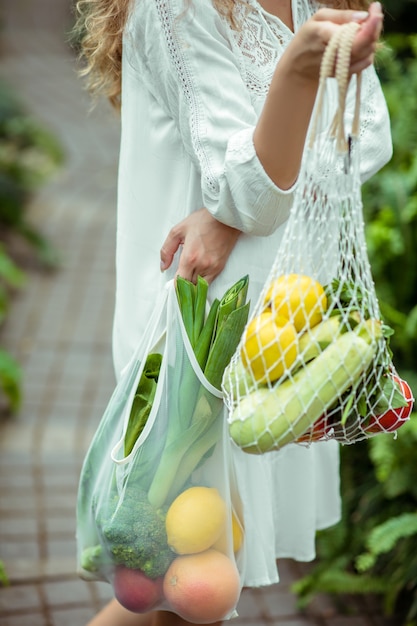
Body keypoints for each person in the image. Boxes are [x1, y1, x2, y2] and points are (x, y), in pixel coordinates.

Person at [73, 0, 392, 624]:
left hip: (280, 338)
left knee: (191, 589)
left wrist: (228, 213)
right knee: (176, 588)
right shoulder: (176, 9)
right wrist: (300, 71)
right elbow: (251, 194)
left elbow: (368, 138)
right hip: (201, 341)